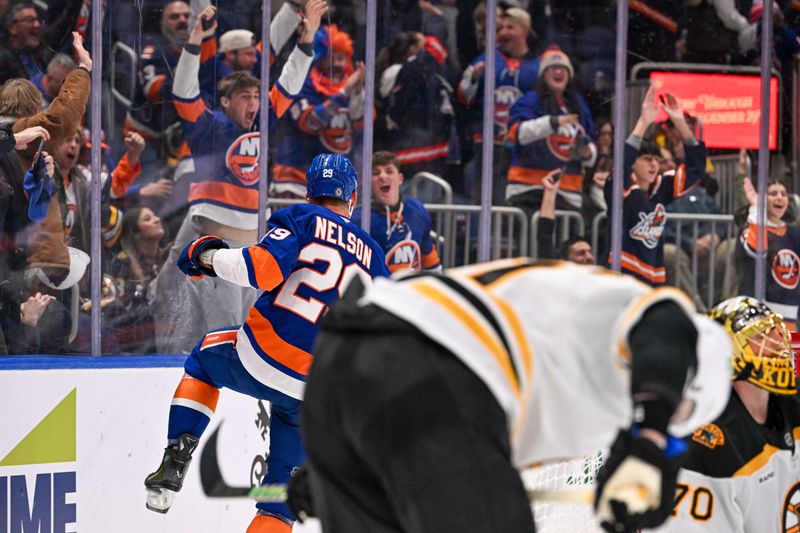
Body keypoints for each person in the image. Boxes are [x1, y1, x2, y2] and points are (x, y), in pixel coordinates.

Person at [296, 258, 733, 532]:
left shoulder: (591, 393)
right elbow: (667, 330)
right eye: (681, 405)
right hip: (433, 366)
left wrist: (363, 467)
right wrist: (652, 438)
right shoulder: (649, 316)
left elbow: (455, 466)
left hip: (344, 369)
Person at [143, 154, 389, 533]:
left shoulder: (302, 217)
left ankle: (176, 456)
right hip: (319, 387)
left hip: (266, 353)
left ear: (309, 193)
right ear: (353, 198)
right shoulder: (374, 254)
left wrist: (207, 256)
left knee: (204, 361)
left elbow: (259, 268)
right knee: (279, 503)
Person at [149, 1, 325, 354]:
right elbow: (184, 90)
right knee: (223, 326)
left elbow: (289, 84)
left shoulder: (263, 121)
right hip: (215, 241)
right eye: (245, 97)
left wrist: (307, 40)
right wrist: (195, 40)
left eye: (256, 97)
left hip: (251, 246)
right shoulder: (209, 126)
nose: (254, 104)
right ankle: (171, 363)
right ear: (226, 101)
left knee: (243, 324)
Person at [652, 296, 798, 532]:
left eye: (773, 331)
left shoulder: (792, 402)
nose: (775, 342)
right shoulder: (703, 448)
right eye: (760, 336)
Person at [604, 87, 706, 286]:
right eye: (647, 159)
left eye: (656, 160)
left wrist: (680, 124)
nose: (653, 165)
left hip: (653, 280)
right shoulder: (621, 189)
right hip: (621, 278)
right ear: (633, 163)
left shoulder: (661, 188)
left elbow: (695, 170)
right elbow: (620, 165)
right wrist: (643, 123)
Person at [457, 7, 540, 204]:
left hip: (521, 145)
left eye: (510, 27)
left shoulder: (538, 65)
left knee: (510, 198)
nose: (502, 33)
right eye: (501, 28)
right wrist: (473, 77)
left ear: (525, 31)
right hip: (487, 142)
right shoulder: (486, 59)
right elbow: (464, 96)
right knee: (481, 197)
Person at [272, 24, 365, 198]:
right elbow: (311, 122)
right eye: (333, 58)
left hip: (335, 178)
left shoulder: (352, 86)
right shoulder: (302, 85)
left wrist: (358, 92)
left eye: (342, 58)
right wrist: (343, 92)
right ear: (320, 58)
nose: (338, 65)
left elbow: (361, 126)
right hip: (296, 177)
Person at [506, 45, 597, 213]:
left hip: (569, 194)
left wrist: (587, 152)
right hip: (528, 190)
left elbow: (592, 142)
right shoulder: (530, 101)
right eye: (553, 68)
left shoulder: (579, 105)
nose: (558, 72)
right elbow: (516, 135)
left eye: (563, 68)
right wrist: (552, 123)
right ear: (543, 74)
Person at [351, 151, 441, 273]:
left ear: (400, 179)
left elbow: (430, 261)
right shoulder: (360, 219)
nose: (383, 176)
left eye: (389, 171)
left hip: (410, 289)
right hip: (379, 291)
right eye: (376, 173)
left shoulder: (416, 210)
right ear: (369, 183)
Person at [735, 177, 800, 328]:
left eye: (783, 194)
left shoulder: (794, 233)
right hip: (759, 315)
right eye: (773, 193)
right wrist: (757, 209)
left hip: (791, 316)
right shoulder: (751, 228)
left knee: (790, 351)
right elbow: (757, 251)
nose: (779, 197)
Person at [535, 169, 595, 264]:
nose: (589, 257)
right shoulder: (557, 276)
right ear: (564, 260)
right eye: (580, 253)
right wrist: (549, 192)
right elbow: (544, 235)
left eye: (590, 252)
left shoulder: (599, 277)